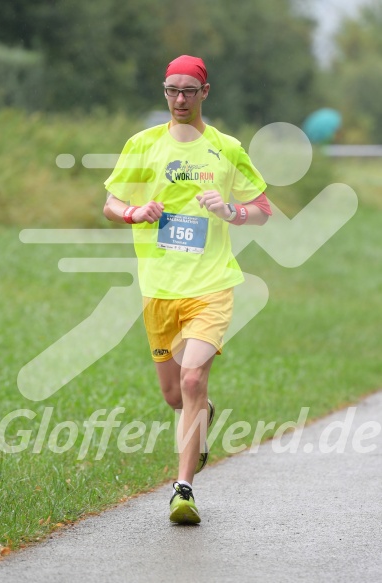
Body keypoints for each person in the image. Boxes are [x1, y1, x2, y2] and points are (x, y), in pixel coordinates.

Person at [103, 54, 272, 525]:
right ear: (164, 92)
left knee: (194, 379)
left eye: (188, 91)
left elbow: (262, 207)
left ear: (205, 93)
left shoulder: (227, 148)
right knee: (176, 397)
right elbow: (112, 203)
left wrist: (231, 210)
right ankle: (201, 414)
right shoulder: (142, 144)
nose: (179, 100)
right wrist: (134, 213)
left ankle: (183, 490)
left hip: (211, 284)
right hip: (159, 287)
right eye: (171, 91)